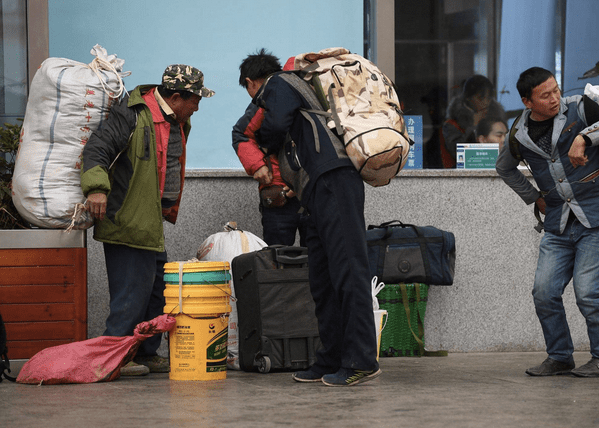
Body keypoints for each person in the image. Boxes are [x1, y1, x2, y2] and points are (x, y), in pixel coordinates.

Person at [240, 50, 380, 387]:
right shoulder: (290, 86)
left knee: (348, 270)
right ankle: (329, 358)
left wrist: (262, 142)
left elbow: (273, 125)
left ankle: (361, 360)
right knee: (322, 278)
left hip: (335, 178)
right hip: (314, 189)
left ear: (250, 82)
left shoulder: (280, 83)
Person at [496, 66, 599, 378]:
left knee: (589, 292)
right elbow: (504, 167)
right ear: (527, 102)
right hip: (558, 222)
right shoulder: (519, 134)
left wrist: (585, 136)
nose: (555, 98)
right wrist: (533, 197)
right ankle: (559, 357)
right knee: (544, 291)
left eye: (555, 89)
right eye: (545, 95)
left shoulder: (581, 109)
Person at [81, 64, 214, 376]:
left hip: (151, 222)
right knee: (130, 297)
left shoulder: (176, 118)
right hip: (128, 221)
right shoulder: (132, 114)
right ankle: (111, 359)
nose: (197, 106)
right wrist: (97, 189)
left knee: (158, 292)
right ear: (177, 96)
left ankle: (146, 353)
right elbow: (97, 150)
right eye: (195, 100)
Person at [233, 50, 305, 246]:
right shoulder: (306, 92)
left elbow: (239, 134)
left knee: (278, 257)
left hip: (281, 188)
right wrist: (257, 165)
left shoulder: (264, 101)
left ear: (251, 82)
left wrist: (261, 160)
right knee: (317, 256)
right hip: (299, 189)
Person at [440, 75, 506, 167]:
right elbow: (458, 153)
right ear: (468, 97)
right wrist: (473, 126)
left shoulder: (496, 119)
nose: (486, 103)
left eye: (489, 99)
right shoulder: (452, 124)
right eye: (480, 98)